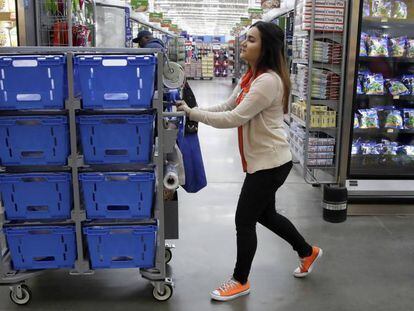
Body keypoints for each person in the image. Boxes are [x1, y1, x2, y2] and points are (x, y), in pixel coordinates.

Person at [177, 21, 322, 302]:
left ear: (265, 47)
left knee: (244, 220)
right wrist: (193, 109)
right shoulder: (251, 76)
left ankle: (240, 280)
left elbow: (235, 118)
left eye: (251, 40)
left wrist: (194, 115)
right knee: (266, 215)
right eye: (246, 39)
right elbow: (228, 106)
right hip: (263, 161)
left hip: (271, 163)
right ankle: (307, 251)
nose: (244, 44)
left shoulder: (268, 81)